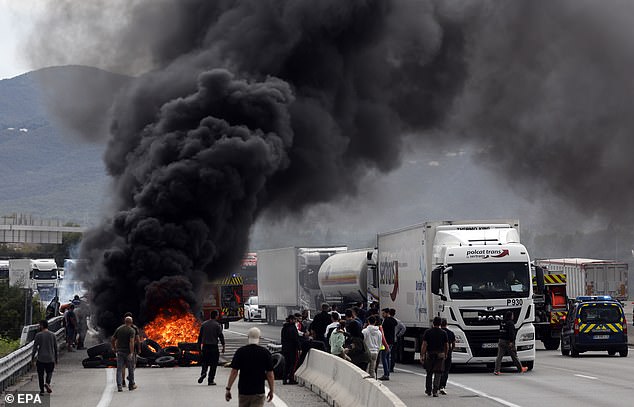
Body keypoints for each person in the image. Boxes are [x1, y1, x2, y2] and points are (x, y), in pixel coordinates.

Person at [225, 327, 274, 407]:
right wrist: (271, 390)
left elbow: (234, 372)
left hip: (243, 392)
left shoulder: (240, 352)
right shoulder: (265, 353)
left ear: (248, 337)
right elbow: (270, 374)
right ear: (259, 338)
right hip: (258, 391)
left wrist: (228, 389)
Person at [420, 316, 448, 397]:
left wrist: (422, 355)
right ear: (440, 324)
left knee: (429, 372)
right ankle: (435, 390)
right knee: (438, 373)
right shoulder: (444, 333)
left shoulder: (428, 332)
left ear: (433, 323)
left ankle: (428, 390)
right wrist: (446, 354)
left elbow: (424, 345)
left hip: (430, 354)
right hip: (440, 355)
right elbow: (446, 345)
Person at [197, 310, 226, 385]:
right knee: (213, 364)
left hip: (205, 347)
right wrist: (223, 346)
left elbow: (199, 338)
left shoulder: (204, 324)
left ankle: (203, 373)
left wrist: (199, 349)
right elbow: (221, 336)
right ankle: (210, 380)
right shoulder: (217, 325)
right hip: (213, 347)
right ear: (216, 316)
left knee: (205, 362)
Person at [32, 320, 58, 395]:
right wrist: (56, 358)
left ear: (42, 326)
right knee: (49, 372)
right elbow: (56, 348)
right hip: (50, 358)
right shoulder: (53, 335)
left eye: (39, 325)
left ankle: (42, 391)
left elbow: (34, 348)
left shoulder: (38, 335)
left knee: (40, 375)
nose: (38, 327)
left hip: (41, 359)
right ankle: (47, 383)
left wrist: (32, 358)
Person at [111, 316, 137, 391]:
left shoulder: (119, 329)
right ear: (131, 322)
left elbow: (113, 339)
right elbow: (131, 342)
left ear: (125, 322)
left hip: (120, 352)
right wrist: (131, 353)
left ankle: (119, 386)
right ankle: (131, 385)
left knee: (119, 369)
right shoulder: (131, 330)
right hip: (128, 352)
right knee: (130, 369)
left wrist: (114, 348)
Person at [121, 312, 141, 387]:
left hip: (122, 349)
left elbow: (115, 339)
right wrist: (139, 348)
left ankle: (123, 381)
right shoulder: (134, 328)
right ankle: (130, 380)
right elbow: (138, 339)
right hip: (131, 349)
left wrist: (115, 348)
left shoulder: (121, 328)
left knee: (123, 365)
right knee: (132, 365)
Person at [281, 314, 300, 385]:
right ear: (291, 320)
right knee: (293, 364)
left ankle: (284, 379)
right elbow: (296, 339)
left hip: (285, 348)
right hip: (292, 348)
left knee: (287, 363)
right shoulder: (293, 328)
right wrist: (299, 348)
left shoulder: (284, 328)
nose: (295, 321)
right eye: (294, 319)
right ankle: (291, 378)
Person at [379, 308, 397, 380]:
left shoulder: (386, 321)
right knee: (388, 357)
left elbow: (383, 332)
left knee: (383, 357)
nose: (382, 315)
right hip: (391, 341)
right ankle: (388, 372)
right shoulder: (393, 320)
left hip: (386, 342)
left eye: (383, 313)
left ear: (387, 313)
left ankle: (386, 374)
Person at [438, 318, 455, 395]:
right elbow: (453, 344)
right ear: (446, 324)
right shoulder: (451, 333)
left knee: (439, 369)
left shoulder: (439, 332)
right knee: (446, 370)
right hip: (448, 353)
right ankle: (442, 385)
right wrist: (451, 350)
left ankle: (437, 385)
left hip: (440, 352)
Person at [390, 308, 406, 373]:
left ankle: (388, 367)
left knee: (387, 354)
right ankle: (391, 367)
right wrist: (398, 334)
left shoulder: (386, 320)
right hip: (395, 339)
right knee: (393, 354)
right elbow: (404, 328)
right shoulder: (398, 321)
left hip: (388, 339)